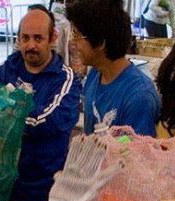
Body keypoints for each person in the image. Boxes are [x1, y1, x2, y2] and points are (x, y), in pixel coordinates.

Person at [0, 6, 81, 201]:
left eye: (38, 38)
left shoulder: (65, 79)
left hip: (41, 192)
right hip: (3, 187)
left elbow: (45, 122)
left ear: (53, 38)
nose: (30, 45)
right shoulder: (8, 68)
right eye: (25, 38)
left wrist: (8, 115)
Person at [66, 0, 160, 137]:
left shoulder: (138, 96)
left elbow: (138, 154)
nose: (73, 43)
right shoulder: (95, 75)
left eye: (76, 35)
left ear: (100, 43)